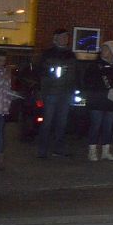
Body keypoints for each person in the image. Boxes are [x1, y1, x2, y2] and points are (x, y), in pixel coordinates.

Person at [36, 28, 78, 158]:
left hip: (65, 93)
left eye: (67, 37)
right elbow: (42, 74)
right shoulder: (48, 54)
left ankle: (58, 148)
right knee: (47, 122)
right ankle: (42, 150)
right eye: (63, 37)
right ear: (56, 38)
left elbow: (75, 73)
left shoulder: (70, 54)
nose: (65, 39)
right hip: (51, 93)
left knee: (62, 123)